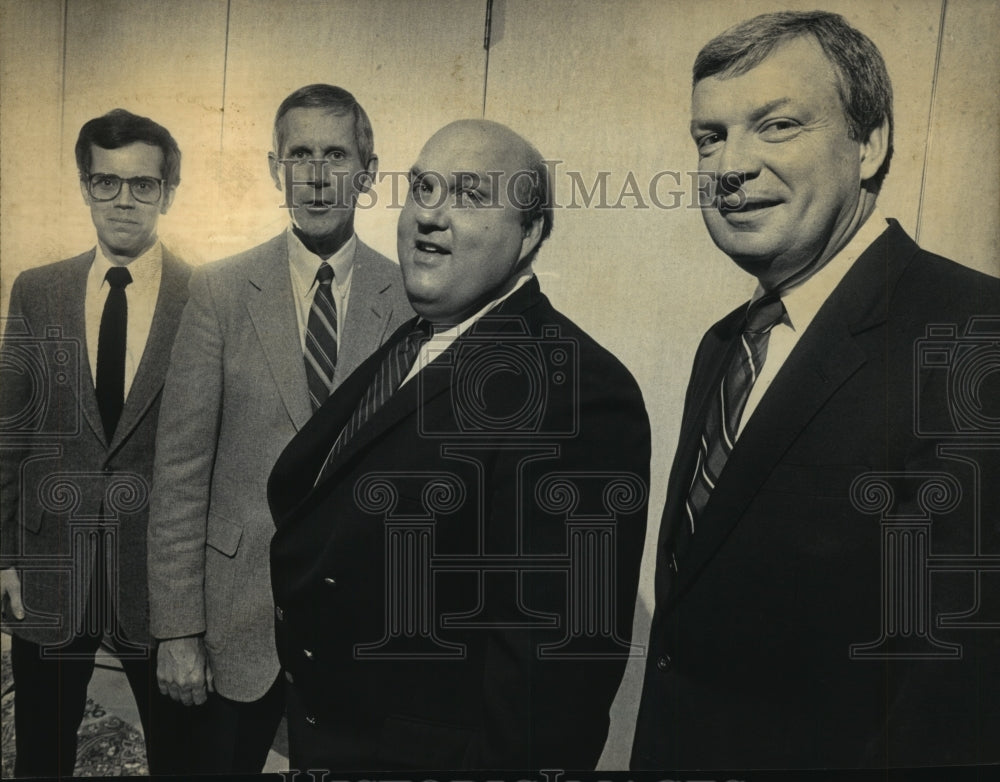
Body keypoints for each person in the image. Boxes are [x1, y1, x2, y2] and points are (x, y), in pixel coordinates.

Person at [631, 10, 1000, 770]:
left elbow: (954, 700)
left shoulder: (972, 336)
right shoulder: (728, 343)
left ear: (871, 144)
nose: (729, 165)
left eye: (777, 126)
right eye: (710, 136)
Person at [267, 119, 651, 769]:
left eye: (470, 195)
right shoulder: (419, 341)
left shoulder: (577, 391)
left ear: (529, 233)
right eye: (422, 188)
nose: (430, 216)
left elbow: (551, 685)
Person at [146, 84, 413, 773]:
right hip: (236, 628)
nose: (318, 175)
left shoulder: (411, 300)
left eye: (336, 154)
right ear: (275, 169)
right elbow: (179, 474)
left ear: (368, 169)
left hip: (358, 632)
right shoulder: (220, 292)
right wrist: (178, 630)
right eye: (300, 154)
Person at [0, 108, 192, 776]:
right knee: (42, 758)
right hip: (52, 566)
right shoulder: (37, 291)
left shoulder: (206, 299)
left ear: (168, 191)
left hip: (156, 583)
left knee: (181, 757)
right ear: (85, 186)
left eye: (142, 184)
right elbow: (12, 432)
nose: (123, 200)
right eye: (106, 182)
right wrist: (4, 558)